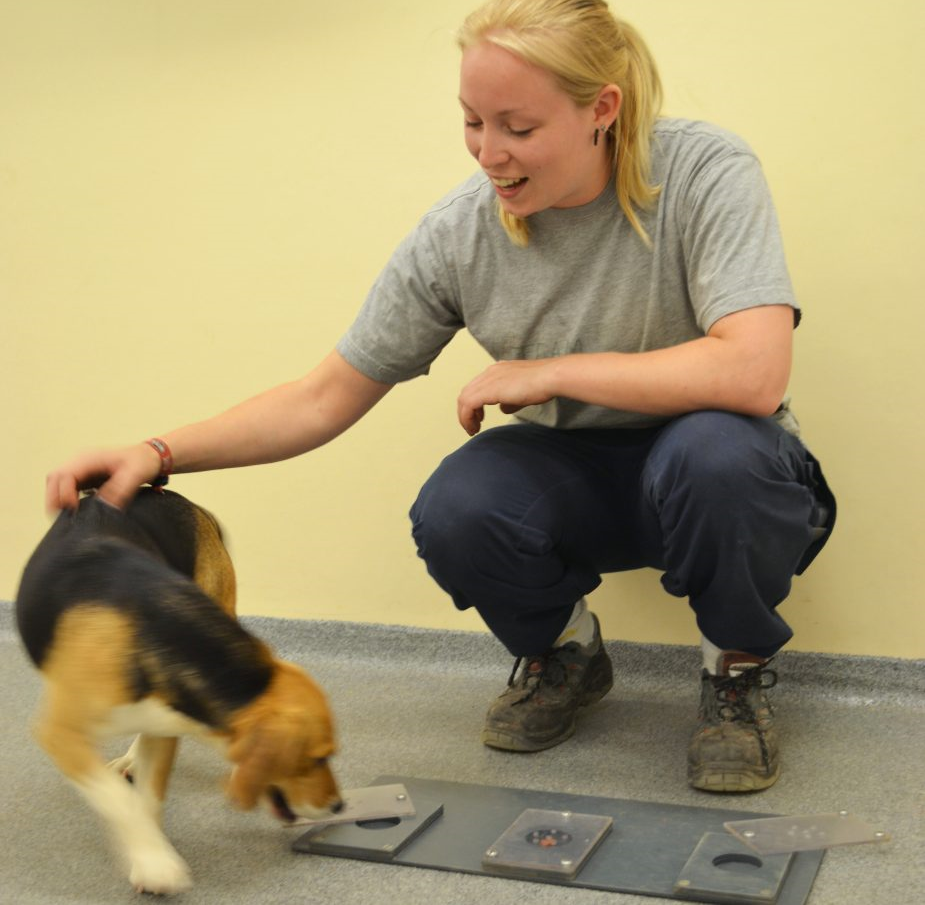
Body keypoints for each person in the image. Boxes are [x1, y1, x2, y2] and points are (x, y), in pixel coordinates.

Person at [45, 0, 835, 792]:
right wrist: (156, 451)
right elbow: (322, 397)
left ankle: (734, 673)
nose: (489, 153)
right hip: (576, 473)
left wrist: (552, 370)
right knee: (459, 503)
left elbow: (753, 372)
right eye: (471, 122)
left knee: (716, 454)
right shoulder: (459, 233)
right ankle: (563, 657)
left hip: (715, 465)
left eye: (517, 128)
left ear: (601, 108)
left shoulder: (704, 172)